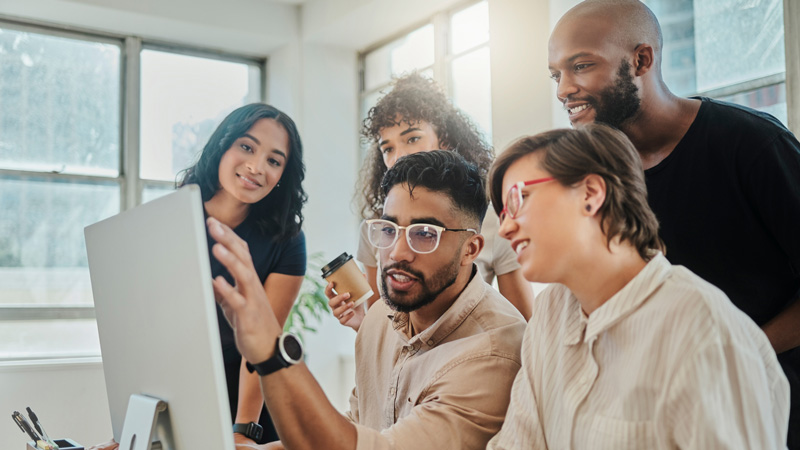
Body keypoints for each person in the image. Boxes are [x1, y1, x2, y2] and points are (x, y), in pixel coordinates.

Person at [547, 1, 800, 445]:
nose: (564, 89)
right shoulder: (595, 184)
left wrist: (737, 352)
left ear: (641, 60)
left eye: (581, 65)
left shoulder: (753, 145)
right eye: (556, 75)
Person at [486, 124, 789, 448]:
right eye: (502, 212)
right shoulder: (550, 313)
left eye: (518, 199)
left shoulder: (703, 328)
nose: (505, 228)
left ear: (590, 194)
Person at [210, 151, 526, 449]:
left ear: (470, 249)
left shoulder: (494, 354)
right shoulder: (379, 319)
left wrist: (270, 349)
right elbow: (356, 428)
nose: (397, 252)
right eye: (388, 229)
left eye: (425, 233)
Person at [335, 73, 534, 328]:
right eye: (388, 148)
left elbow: (524, 326)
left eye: (412, 138)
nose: (398, 157)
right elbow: (382, 327)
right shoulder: (376, 228)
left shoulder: (492, 218)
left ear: (445, 140)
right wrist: (360, 322)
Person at [177, 103, 308, 445]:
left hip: (251, 404)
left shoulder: (287, 240)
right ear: (223, 145)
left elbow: (262, 342)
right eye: (247, 147)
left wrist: (244, 429)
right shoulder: (172, 218)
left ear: (282, 176)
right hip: (180, 392)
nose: (256, 166)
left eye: (274, 160)